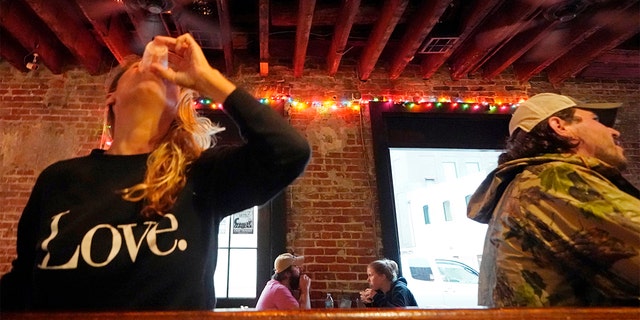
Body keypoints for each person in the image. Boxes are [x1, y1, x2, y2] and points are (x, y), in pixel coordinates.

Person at [0, 34, 311, 311]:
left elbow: (288, 151)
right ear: (112, 97)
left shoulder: (200, 176)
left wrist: (207, 78)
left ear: (180, 105)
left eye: (170, 78)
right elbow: (22, 283)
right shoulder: (58, 180)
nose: (154, 67)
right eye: (137, 68)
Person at [467, 93, 640, 307]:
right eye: (595, 120)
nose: (614, 131)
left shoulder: (527, 182)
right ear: (560, 126)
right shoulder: (555, 180)